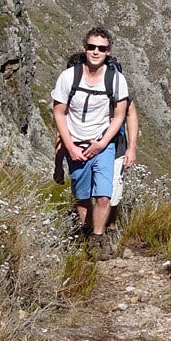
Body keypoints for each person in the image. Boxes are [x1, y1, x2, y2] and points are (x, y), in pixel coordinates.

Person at [52, 27, 129, 260]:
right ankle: (86, 232)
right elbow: (59, 113)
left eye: (102, 48)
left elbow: (120, 115)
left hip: (103, 145)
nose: (96, 52)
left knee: (104, 195)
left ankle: (97, 239)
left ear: (108, 52)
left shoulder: (116, 80)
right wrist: (71, 147)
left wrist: (103, 143)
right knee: (82, 196)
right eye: (92, 47)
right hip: (76, 145)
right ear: (84, 48)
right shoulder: (68, 77)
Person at [105, 97, 138, 247]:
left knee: (113, 195)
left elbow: (130, 111)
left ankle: (110, 228)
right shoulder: (76, 78)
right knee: (85, 193)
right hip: (86, 146)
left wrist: (131, 148)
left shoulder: (115, 79)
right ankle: (91, 231)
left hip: (116, 148)